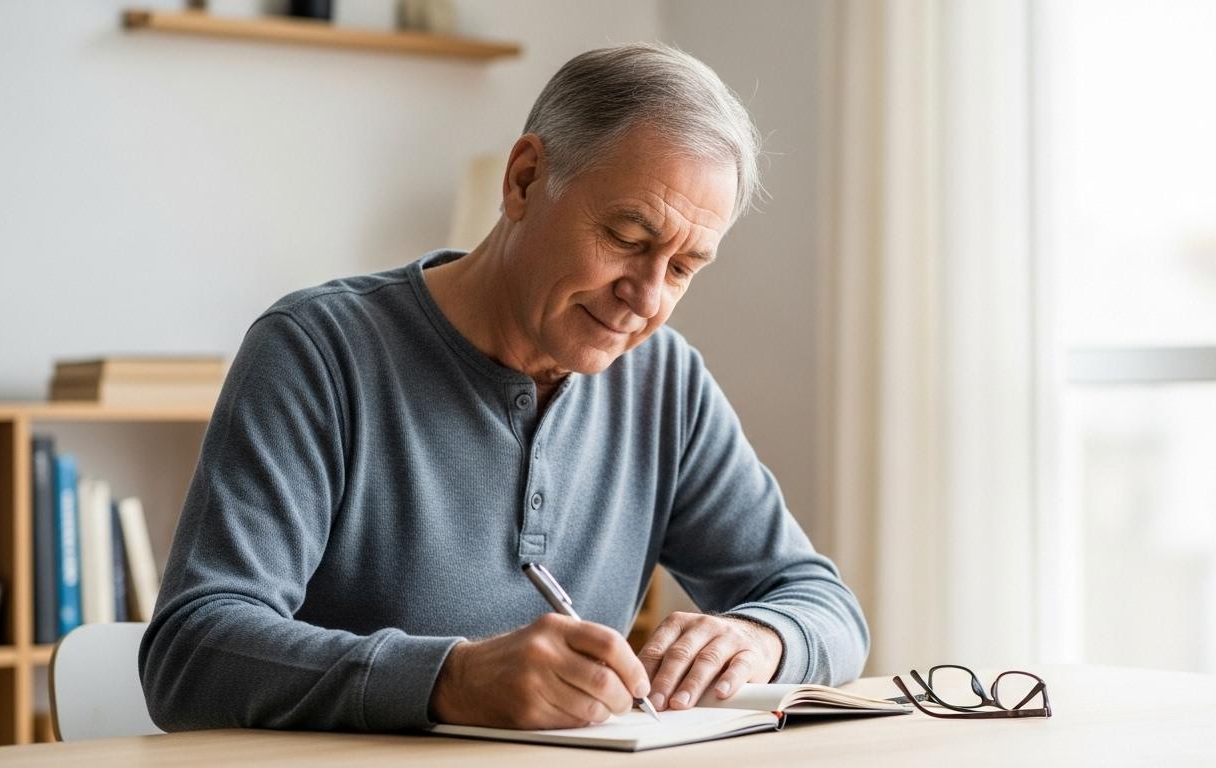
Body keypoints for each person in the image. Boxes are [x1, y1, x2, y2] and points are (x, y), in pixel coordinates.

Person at [139, 43, 868, 732]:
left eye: (681, 269)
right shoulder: (318, 352)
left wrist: (761, 636)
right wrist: (451, 680)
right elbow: (191, 652)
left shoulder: (665, 384)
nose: (646, 297)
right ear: (524, 180)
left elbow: (827, 607)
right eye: (627, 237)